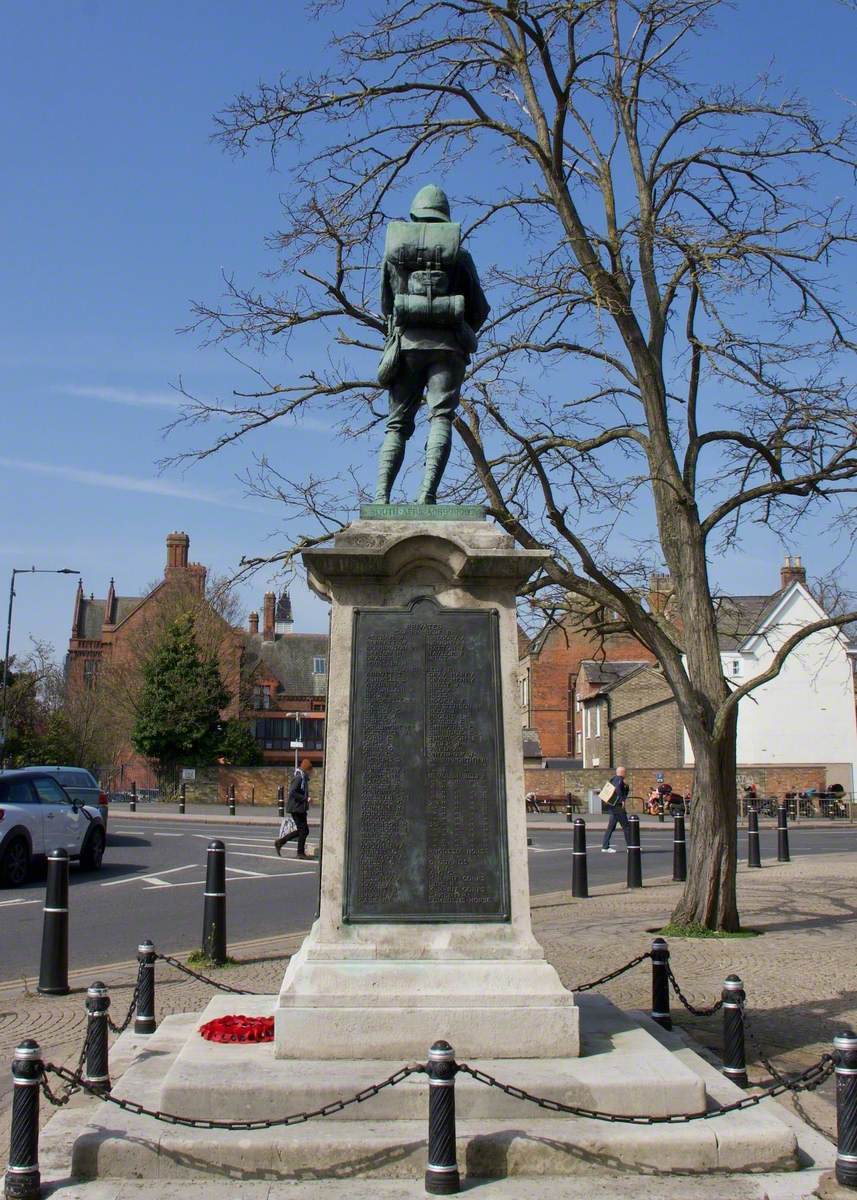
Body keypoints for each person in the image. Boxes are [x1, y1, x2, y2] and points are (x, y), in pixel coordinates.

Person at [374, 183, 490, 505]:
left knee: (397, 424)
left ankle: (381, 498)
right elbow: (480, 308)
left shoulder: (395, 254)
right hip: (449, 347)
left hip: (407, 346)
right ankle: (427, 494)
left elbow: (386, 305)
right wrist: (457, 329)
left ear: (415, 213)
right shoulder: (459, 255)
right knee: (440, 417)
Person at [274, 759, 313, 859]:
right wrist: (306, 798)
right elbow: (292, 792)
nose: (311, 772)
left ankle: (280, 842)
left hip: (300, 808)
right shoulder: (299, 778)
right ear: (306, 769)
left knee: (303, 830)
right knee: (303, 830)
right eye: (310, 770)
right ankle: (300, 852)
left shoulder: (304, 778)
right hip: (296, 808)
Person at [601, 766, 631, 853]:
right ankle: (631, 847)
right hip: (617, 807)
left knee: (611, 827)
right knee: (626, 827)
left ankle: (605, 847)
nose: (626, 774)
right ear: (622, 772)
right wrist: (622, 800)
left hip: (612, 806)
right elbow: (617, 789)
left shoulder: (613, 779)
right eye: (625, 772)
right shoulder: (619, 780)